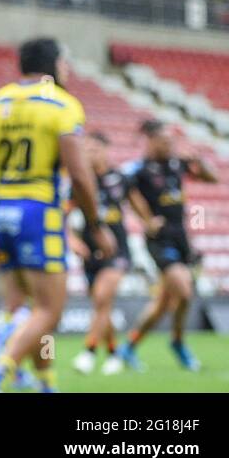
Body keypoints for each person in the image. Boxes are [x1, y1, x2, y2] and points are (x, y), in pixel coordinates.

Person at [0, 38, 114, 393]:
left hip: (4, 211)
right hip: (40, 211)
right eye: (64, 64)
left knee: (25, 308)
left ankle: (45, 382)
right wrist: (96, 226)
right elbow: (80, 176)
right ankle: (0, 367)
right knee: (50, 310)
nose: (67, 70)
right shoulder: (61, 105)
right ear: (53, 64)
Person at [116, 119, 217, 372]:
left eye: (172, 141)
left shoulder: (177, 164)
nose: (170, 145)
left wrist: (199, 160)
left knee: (162, 304)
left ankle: (129, 346)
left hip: (182, 238)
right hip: (159, 240)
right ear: (150, 141)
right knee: (184, 291)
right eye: (164, 141)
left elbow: (212, 178)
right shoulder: (138, 170)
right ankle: (178, 342)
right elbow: (124, 192)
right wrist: (146, 219)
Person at [70, 131, 132, 376]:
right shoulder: (79, 182)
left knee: (102, 297)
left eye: (94, 149)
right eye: (86, 150)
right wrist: (72, 240)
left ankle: (89, 351)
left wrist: (150, 223)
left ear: (106, 151)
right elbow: (63, 216)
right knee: (102, 305)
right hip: (90, 254)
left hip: (117, 250)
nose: (89, 154)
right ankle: (115, 354)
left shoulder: (120, 179)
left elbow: (139, 204)